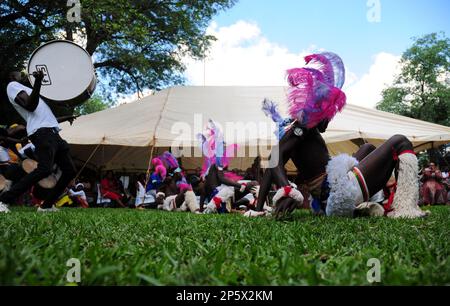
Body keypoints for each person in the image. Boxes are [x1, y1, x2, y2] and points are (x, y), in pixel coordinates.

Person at [255, 52, 427, 219]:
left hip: (328, 197)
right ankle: (406, 207)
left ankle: (367, 204)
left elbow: (273, 165)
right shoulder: (303, 124)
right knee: (400, 141)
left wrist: (258, 208)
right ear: (322, 110)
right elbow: (274, 157)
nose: (328, 122)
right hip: (336, 193)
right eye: (330, 115)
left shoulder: (295, 129)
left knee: (367, 148)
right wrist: (287, 190)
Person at [0, 71, 76, 213]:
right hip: (42, 133)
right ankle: (4, 200)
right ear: (10, 76)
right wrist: (39, 81)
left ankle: (46, 205)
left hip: (52, 132)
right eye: (18, 72)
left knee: (69, 171)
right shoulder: (12, 85)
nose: (22, 73)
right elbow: (30, 105)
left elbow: (46, 117)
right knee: (44, 169)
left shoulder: (28, 90)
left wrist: (67, 117)